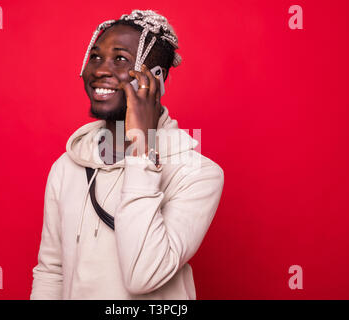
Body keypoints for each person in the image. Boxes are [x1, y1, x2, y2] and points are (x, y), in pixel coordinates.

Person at [30, 9, 224, 300]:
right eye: (95, 56)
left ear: (155, 79)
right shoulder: (66, 167)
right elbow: (51, 271)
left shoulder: (197, 173)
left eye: (120, 59)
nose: (100, 70)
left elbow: (142, 276)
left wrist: (142, 150)